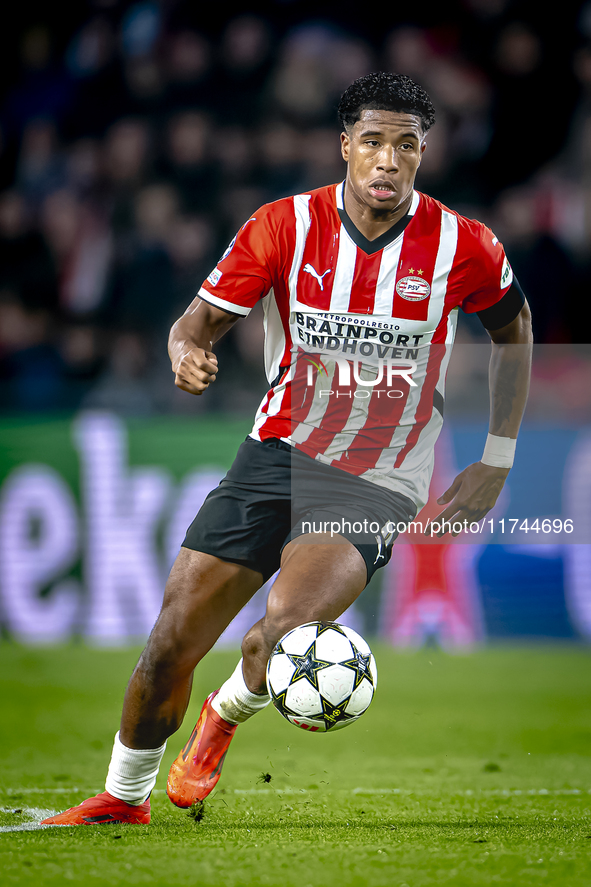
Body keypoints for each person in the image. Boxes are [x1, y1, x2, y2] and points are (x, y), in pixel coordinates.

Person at [42, 72, 532, 826]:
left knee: (279, 634)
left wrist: (496, 455)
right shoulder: (282, 226)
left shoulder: (464, 245)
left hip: (377, 476)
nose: (388, 161)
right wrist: (185, 353)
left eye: (407, 146)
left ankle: (224, 716)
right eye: (372, 141)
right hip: (275, 453)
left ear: (422, 156)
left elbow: (514, 332)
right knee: (170, 641)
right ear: (345, 146)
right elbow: (194, 323)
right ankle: (122, 796)